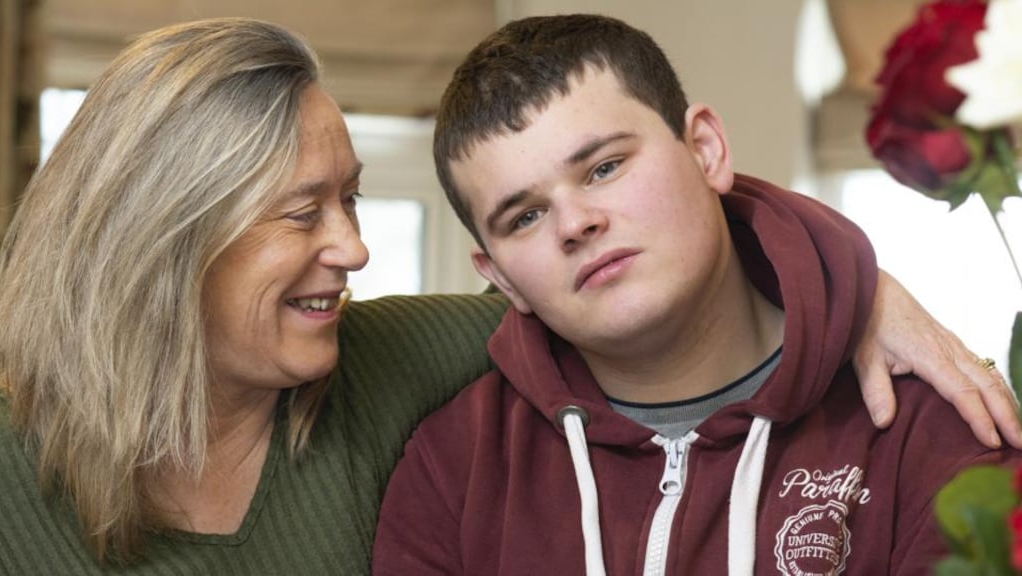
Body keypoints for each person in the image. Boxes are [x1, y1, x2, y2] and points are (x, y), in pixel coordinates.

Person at [0, 16, 1012, 576]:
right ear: (167, 242)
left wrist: (854, 290)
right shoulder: (449, 441)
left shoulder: (386, 362)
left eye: (349, 199)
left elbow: (649, 296)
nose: (352, 251)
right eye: (302, 213)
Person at [372, 13, 1022, 575]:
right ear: (501, 276)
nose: (576, 225)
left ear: (706, 150)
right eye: (525, 216)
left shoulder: (929, 431)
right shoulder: (453, 470)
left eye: (604, 167)